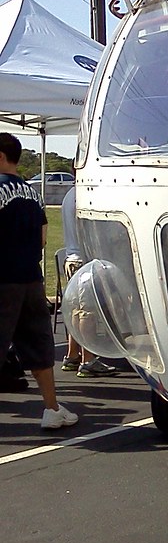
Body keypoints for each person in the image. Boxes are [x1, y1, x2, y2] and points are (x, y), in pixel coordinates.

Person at [0, 133, 79, 429]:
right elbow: (43, 238)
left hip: (3, 278)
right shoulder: (33, 193)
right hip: (31, 279)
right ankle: (51, 407)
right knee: (39, 345)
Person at [60, 183, 117, 377]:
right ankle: (88, 359)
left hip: (72, 258)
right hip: (86, 260)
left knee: (76, 310)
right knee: (88, 312)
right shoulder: (86, 193)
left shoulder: (70, 194)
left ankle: (72, 355)